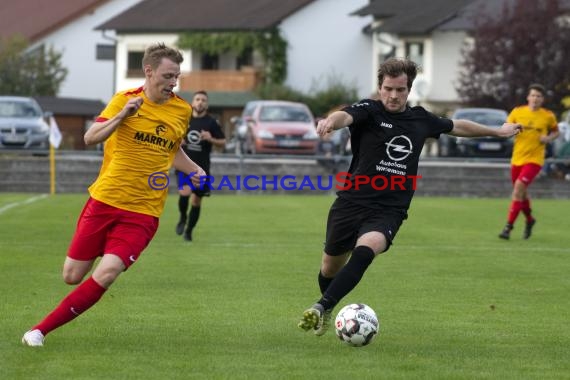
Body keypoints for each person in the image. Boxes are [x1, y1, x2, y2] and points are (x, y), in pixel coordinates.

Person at [297, 57, 521, 336]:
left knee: (367, 250)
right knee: (330, 267)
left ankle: (320, 307)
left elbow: (458, 126)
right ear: (380, 87)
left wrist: (497, 131)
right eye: (388, 88)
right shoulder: (369, 110)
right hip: (351, 201)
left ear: (409, 89)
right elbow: (346, 116)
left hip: (389, 208)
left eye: (400, 90)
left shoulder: (420, 119)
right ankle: (328, 308)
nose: (393, 95)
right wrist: (331, 121)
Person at [21, 43, 205, 347]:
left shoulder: (182, 109)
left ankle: (38, 331)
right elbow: (90, 136)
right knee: (71, 275)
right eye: (168, 75)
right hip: (105, 201)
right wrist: (122, 116)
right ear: (149, 71)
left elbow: (173, 150)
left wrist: (195, 170)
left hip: (143, 212)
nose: (174, 82)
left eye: (177, 76)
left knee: (107, 273)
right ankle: (99, 254)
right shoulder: (124, 100)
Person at [498, 84, 559, 240]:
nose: (535, 98)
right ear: (528, 97)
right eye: (533, 95)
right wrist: (512, 130)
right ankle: (530, 220)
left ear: (542, 99)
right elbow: (505, 126)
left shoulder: (548, 116)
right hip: (517, 159)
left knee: (518, 188)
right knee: (521, 193)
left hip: (535, 160)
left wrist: (548, 138)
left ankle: (508, 227)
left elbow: (556, 132)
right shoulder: (518, 112)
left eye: (538, 96)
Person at [175, 90, 226, 241]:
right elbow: (173, 136)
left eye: (203, 100)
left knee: (196, 200)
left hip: (202, 167)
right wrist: (179, 141)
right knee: (184, 192)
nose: (200, 102)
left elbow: (222, 143)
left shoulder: (211, 122)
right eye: (197, 99)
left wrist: (211, 138)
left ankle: (189, 231)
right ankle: (183, 217)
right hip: (184, 165)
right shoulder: (185, 119)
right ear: (193, 102)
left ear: (207, 104)